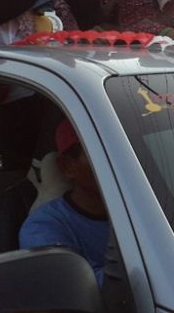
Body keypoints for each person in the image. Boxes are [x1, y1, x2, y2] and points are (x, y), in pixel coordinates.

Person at [19, 119, 109, 286]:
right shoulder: (43, 227)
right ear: (68, 166)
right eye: (103, 153)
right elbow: (76, 287)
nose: (118, 163)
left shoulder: (148, 209)